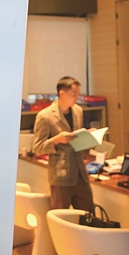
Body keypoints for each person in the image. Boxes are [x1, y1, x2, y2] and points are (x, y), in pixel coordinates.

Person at [32, 76, 93, 211]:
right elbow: (38, 148)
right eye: (74, 94)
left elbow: (76, 138)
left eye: (78, 94)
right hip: (61, 175)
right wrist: (57, 140)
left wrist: (88, 137)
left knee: (88, 214)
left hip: (80, 172)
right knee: (60, 216)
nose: (77, 97)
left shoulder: (78, 110)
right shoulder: (45, 116)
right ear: (62, 94)